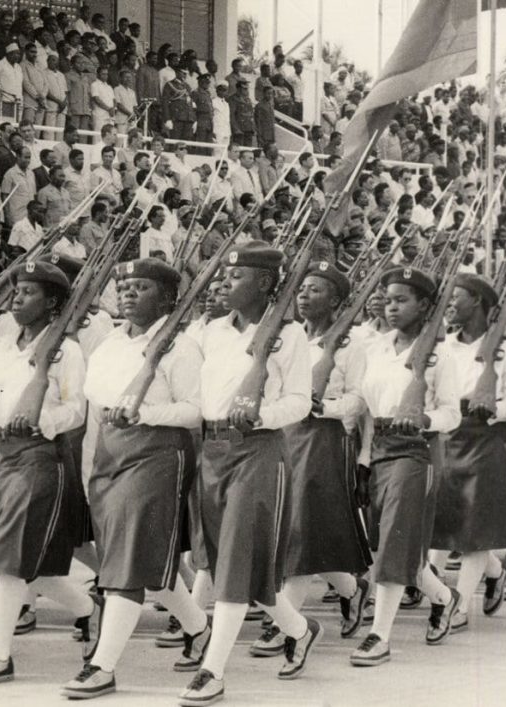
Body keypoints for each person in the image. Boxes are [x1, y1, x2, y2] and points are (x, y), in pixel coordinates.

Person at [62, 258, 211, 699]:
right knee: (136, 557)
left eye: (141, 288)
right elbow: (95, 400)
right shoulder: (111, 341)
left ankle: (102, 666)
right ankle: (198, 626)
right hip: (111, 451)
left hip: (158, 452)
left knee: (127, 563)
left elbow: (194, 410)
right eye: (124, 287)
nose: (128, 294)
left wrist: (143, 412)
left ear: (167, 298)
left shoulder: (179, 347)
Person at [180, 242, 321, 706]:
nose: (223, 283)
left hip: (257, 451)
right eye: (222, 275)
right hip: (212, 451)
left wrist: (258, 415)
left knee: (238, 561)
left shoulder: (289, 334)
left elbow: (300, 401)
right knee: (232, 564)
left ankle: (213, 671)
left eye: (235, 277)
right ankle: (299, 631)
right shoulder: (209, 331)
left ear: (264, 283)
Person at [0, 260, 102, 688]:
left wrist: (41, 419)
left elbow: (77, 410)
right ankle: (90, 611)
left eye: (29, 292)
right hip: (5, 457)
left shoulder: (66, 351)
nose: (17, 298)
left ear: (53, 302)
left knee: (11, 561)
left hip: (42, 456)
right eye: (16, 291)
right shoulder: (3, 345)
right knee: (25, 561)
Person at [251, 262, 372, 659]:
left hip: (324, 438)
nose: (304, 295)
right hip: (286, 433)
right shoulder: (288, 337)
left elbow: (359, 398)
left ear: (337, 299)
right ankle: (353, 589)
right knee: (298, 528)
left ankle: (285, 622)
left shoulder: (352, 343)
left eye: (316, 290)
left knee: (302, 528)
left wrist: (327, 407)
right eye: (301, 288)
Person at [351, 266, 462, 667]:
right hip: (378, 448)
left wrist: (424, 419)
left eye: (402, 300)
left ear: (425, 306)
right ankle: (445, 599)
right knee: (394, 545)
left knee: (396, 541)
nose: (391, 306)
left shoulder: (439, 354)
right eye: (388, 298)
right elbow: (365, 409)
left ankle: (379, 635)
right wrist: (364, 459)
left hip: (416, 451)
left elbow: (452, 413)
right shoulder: (377, 347)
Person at [430, 274, 506, 631]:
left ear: (480, 304)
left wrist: (494, 410)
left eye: (458, 298)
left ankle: (461, 604)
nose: (449, 305)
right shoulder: (443, 347)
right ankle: (497, 572)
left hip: (485, 438)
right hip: (448, 436)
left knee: (476, 525)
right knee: (452, 519)